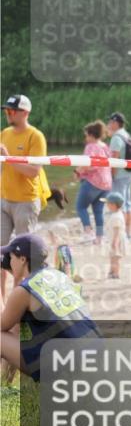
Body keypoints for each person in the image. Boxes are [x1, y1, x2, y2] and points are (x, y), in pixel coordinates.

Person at [0, 234, 99, 382]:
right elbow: (14, 324)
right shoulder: (59, 275)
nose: (9, 260)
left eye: (11, 256)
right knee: (16, 327)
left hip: (67, 367)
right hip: (95, 354)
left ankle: (4, 387)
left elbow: (2, 325)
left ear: (22, 259)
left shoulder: (25, 290)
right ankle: (4, 385)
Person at [1, 95, 46, 299]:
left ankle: (18, 301)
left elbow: (34, 171)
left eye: (11, 111)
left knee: (22, 256)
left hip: (26, 202)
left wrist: (8, 158)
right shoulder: (5, 133)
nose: (7, 114)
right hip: (3, 199)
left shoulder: (35, 136)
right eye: (6, 110)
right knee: (1, 252)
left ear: (25, 113)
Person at [74, 121, 113, 246]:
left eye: (86, 135)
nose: (85, 138)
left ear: (91, 135)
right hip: (106, 184)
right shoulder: (105, 146)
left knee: (80, 207)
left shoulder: (91, 146)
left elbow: (88, 164)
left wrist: (77, 171)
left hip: (93, 182)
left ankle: (88, 231)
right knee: (98, 210)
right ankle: (100, 237)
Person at [105, 112, 131, 243]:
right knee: (128, 204)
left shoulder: (116, 137)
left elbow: (114, 158)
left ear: (115, 123)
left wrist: (111, 175)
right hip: (129, 174)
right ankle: (128, 234)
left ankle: (122, 235)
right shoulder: (126, 134)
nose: (108, 124)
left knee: (120, 205)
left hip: (119, 175)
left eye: (110, 122)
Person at [101, 191, 126, 279]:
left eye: (108, 204)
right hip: (113, 239)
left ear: (113, 205)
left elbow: (117, 231)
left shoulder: (117, 217)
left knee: (116, 258)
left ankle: (116, 273)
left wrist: (115, 242)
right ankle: (111, 271)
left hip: (116, 240)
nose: (107, 206)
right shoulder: (116, 214)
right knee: (112, 257)